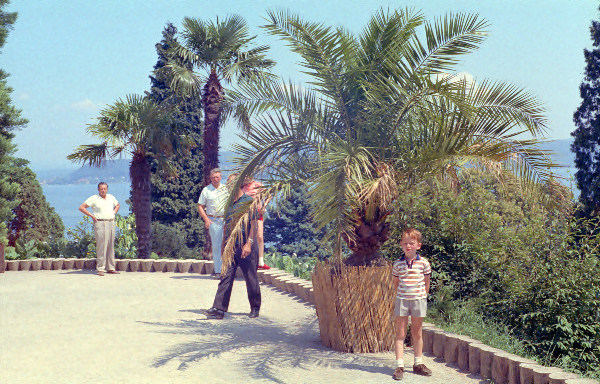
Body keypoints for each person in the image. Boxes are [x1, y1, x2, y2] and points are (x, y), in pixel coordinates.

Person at [207, 178, 261, 319]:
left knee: (251, 278)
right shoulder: (229, 204)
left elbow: (254, 224)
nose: (229, 185)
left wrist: (248, 244)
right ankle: (219, 309)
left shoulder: (249, 202)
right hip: (231, 246)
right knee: (225, 276)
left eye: (231, 183)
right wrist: (223, 246)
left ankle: (255, 307)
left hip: (246, 245)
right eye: (228, 183)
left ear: (238, 184)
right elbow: (227, 226)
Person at [391, 228, 432, 380]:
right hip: (402, 300)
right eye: (405, 243)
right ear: (401, 245)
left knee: (417, 333)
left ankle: (418, 364)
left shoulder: (424, 263)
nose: (408, 246)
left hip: (418, 300)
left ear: (418, 245)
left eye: (411, 243)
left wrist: (422, 296)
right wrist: (403, 295)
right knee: (400, 334)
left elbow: (426, 282)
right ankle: (400, 366)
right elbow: (396, 283)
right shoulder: (398, 264)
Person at [78, 182, 120, 276]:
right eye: (101, 189)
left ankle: (111, 268)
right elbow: (81, 207)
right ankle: (101, 268)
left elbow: (117, 205)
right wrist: (92, 216)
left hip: (111, 222)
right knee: (102, 246)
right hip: (100, 223)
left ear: (107, 189)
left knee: (110, 246)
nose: (103, 190)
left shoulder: (111, 197)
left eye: (105, 188)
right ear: (98, 189)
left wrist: (113, 213)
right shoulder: (94, 198)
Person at [198, 168, 228, 277]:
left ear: (220, 177)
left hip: (225, 220)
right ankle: (218, 271)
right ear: (210, 178)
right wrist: (206, 219)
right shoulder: (206, 190)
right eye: (213, 177)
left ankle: (228, 270)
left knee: (227, 245)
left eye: (217, 177)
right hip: (213, 221)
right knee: (216, 246)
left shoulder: (226, 189)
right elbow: (200, 206)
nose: (216, 179)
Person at [243, 178, 270, 270]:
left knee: (259, 237)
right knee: (246, 237)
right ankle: (246, 261)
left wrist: (264, 205)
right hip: (244, 213)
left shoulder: (257, 184)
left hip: (258, 212)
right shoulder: (241, 186)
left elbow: (269, 194)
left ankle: (261, 262)